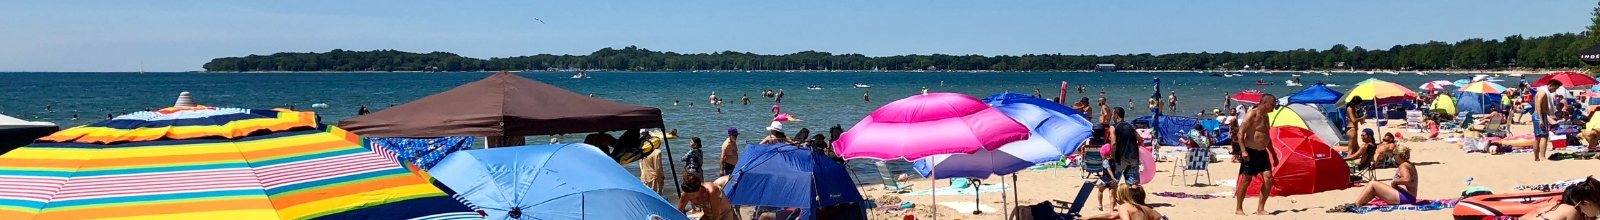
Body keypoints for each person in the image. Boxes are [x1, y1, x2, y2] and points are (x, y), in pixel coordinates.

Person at [1236, 94, 1277, 216]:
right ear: (1265, 103)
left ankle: (1260, 208)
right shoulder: (1252, 114)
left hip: (1262, 152)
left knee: (1269, 179)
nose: (1274, 106)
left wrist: (1274, 154)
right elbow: (1240, 133)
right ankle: (1239, 208)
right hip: (1250, 152)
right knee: (1246, 181)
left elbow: (1267, 137)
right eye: (1272, 104)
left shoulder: (1266, 117)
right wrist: (1243, 151)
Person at [1353, 145, 1418, 206]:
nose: (1393, 157)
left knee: (1372, 183)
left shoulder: (1403, 166)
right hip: (1410, 197)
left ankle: (1356, 204)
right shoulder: (1410, 164)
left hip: (1405, 197)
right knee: (1375, 191)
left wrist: (1394, 182)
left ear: (1398, 155)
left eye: (1394, 155)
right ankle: (1361, 203)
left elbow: (1407, 179)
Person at [1520, 176, 1600, 220]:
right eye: (1578, 207)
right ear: (1586, 203)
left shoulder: (1554, 208)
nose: (1579, 210)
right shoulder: (1572, 210)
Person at [1081, 185, 1164, 220]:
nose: (1115, 198)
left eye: (1116, 195)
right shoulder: (1143, 208)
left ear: (1122, 197)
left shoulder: (1124, 207)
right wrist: (1087, 218)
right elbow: (1111, 215)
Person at [1106, 107, 1141, 186]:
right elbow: (1140, 140)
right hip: (1134, 158)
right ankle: (1132, 198)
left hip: (1121, 159)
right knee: (1133, 184)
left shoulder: (1113, 127)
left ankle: (1114, 198)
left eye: (1113, 115)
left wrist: (1112, 155)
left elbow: (1114, 143)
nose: (1111, 116)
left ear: (1117, 116)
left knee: (1114, 182)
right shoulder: (1131, 127)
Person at [1535, 81, 1562, 161]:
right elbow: (1538, 105)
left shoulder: (1542, 91)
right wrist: (1541, 119)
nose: (1555, 91)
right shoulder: (1543, 93)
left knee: (1538, 137)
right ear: (1551, 86)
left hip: (1539, 115)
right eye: (1555, 88)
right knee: (1544, 136)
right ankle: (1542, 157)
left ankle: (1537, 158)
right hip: (1540, 115)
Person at [1343, 97, 1368, 161]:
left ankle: (1359, 160)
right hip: (1352, 129)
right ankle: (1347, 163)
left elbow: (1360, 122)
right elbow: (1353, 120)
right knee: (1351, 150)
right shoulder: (1350, 108)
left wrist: (1363, 116)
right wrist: (1362, 117)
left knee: (1356, 148)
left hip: (1353, 129)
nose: (1359, 105)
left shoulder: (1353, 109)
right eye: (1359, 104)